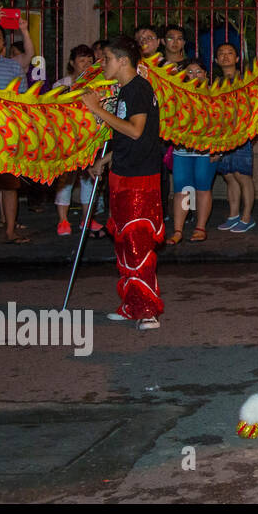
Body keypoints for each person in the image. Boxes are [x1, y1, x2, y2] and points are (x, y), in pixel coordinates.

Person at [80, 35, 164, 329]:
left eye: (106, 59)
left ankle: (147, 309)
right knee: (124, 244)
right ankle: (132, 304)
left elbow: (137, 131)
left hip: (140, 179)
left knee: (137, 242)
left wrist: (96, 109)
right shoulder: (127, 91)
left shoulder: (138, 89)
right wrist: (106, 161)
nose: (101, 64)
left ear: (122, 61)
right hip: (124, 173)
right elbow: (130, 139)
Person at [0, 20, 30, 244]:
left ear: (3, 43)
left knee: (9, 186)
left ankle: (10, 231)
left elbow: (24, 102)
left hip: (7, 137)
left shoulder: (14, 67)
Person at [167, 59, 214, 243]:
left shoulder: (215, 95)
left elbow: (221, 124)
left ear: (206, 75)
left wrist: (218, 149)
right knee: (182, 188)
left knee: (203, 188)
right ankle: (178, 230)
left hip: (207, 150)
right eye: (190, 72)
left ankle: (200, 228)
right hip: (182, 150)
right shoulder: (177, 94)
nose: (194, 75)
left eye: (199, 72)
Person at [52, 44, 98, 236]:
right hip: (67, 139)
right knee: (66, 179)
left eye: (89, 60)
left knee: (89, 178)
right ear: (72, 63)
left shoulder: (97, 84)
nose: (86, 64)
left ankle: (87, 219)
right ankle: (63, 220)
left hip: (90, 138)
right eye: (82, 60)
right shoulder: (61, 85)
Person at [212, 42, 257, 232]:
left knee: (242, 176)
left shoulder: (245, 80)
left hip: (240, 135)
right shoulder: (215, 83)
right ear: (216, 60)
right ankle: (233, 215)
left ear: (237, 58)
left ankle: (247, 218)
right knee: (229, 176)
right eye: (221, 53)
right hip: (222, 136)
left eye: (230, 53)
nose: (225, 56)